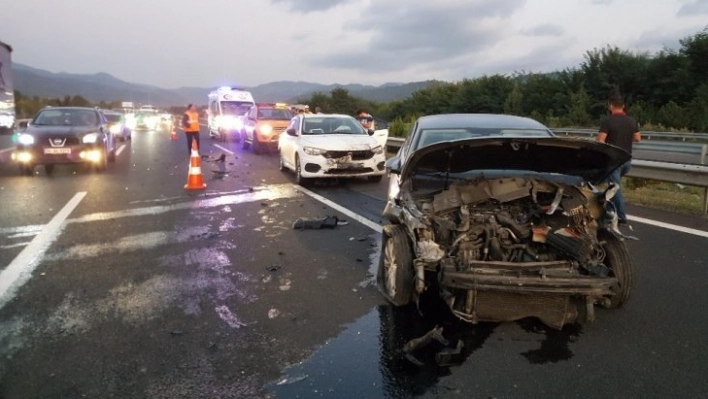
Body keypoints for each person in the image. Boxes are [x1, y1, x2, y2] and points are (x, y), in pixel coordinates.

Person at [596, 95, 641, 225]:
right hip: (626, 161)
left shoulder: (608, 121)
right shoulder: (632, 121)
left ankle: (621, 216)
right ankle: (608, 211)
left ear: (610, 106)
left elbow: (600, 140)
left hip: (613, 160)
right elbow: (638, 138)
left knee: (614, 188)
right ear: (623, 106)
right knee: (612, 186)